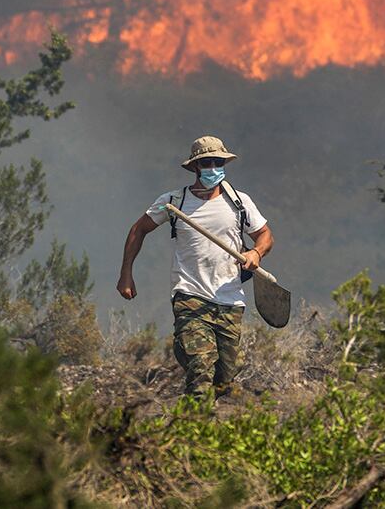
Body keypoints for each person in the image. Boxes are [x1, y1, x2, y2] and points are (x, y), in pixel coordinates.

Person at [117, 135, 274, 398]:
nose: (213, 168)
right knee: (201, 370)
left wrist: (256, 253)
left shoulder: (239, 202)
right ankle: (192, 424)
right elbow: (138, 229)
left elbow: (265, 235)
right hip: (190, 295)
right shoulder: (174, 202)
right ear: (195, 168)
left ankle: (185, 350)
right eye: (206, 163)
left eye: (217, 162)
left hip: (230, 299)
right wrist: (126, 274)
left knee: (223, 380)